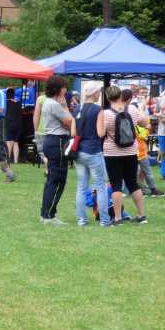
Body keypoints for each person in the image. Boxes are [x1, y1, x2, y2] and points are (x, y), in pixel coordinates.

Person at [98, 85, 148, 224]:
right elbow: (144, 123)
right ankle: (141, 215)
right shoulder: (132, 109)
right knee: (133, 184)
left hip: (112, 153)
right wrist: (141, 109)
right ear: (121, 95)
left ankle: (118, 217)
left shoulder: (105, 113)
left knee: (116, 185)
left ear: (108, 98)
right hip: (131, 152)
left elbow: (100, 134)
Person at [72, 82, 110, 227]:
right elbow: (101, 133)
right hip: (93, 150)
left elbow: (73, 132)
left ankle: (82, 219)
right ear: (94, 93)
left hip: (79, 151)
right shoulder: (98, 110)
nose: (100, 94)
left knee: (81, 187)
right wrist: (105, 124)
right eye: (99, 92)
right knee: (100, 186)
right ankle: (105, 220)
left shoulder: (77, 108)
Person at [39, 74, 74, 225]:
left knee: (52, 180)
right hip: (58, 141)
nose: (66, 90)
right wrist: (65, 106)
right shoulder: (54, 104)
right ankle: (49, 215)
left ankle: (46, 213)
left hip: (51, 141)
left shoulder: (48, 102)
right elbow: (70, 122)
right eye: (64, 87)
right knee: (58, 180)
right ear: (59, 89)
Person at [4, 86, 23, 163]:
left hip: (9, 123)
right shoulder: (19, 102)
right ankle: (15, 160)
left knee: (9, 142)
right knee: (16, 142)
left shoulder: (5, 102)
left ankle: (7, 159)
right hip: (18, 124)